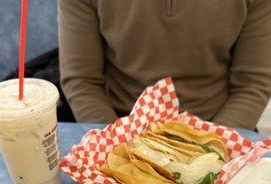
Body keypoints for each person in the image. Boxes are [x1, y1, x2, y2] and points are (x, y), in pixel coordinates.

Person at [58, 0, 271, 130]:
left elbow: (253, 84)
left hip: (220, 124)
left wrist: (210, 146)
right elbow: (81, 79)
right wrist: (118, 143)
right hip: (119, 123)